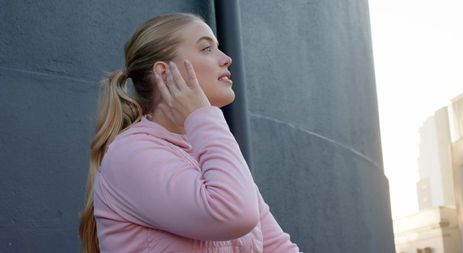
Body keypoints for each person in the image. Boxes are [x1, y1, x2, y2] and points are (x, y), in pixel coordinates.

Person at [79, 12, 301, 253]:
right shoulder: (130, 154)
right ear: (164, 73)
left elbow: (278, 248)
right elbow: (235, 213)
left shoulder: (210, 153)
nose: (226, 59)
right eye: (206, 49)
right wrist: (203, 116)